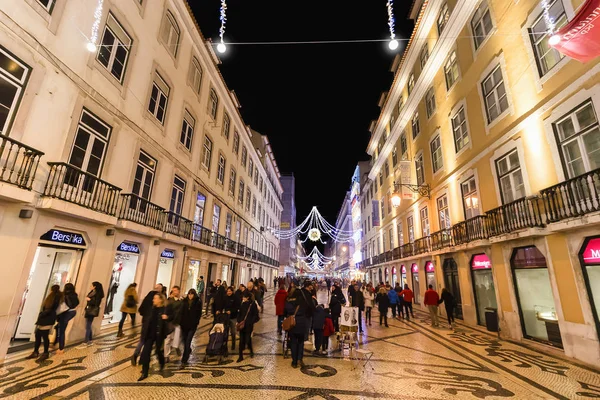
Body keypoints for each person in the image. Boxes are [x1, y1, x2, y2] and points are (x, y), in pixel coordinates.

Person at [138, 293, 170, 381]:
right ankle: (145, 372)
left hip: (159, 334)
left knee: (158, 351)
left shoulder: (164, 309)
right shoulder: (151, 309)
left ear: (160, 300)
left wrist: (166, 317)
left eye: (155, 298)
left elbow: (171, 318)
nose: (153, 300)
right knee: (146, 352)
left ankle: (162, 361)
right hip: (149, 335)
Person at [26, 285, 61, 361]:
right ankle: (36, 352)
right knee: (38, 334)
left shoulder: (55, 297)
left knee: (44, 336)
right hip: (46, 317)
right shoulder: (53, 297)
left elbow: (50, 308)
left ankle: (45, 353)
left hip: (47, 318)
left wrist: (42, 314)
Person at [132, 283, 163, 365]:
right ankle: (142, 359)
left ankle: (136, 355)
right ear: (159, 289)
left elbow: (141, 309)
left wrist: (145, 316)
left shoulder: (148, 296)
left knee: (142, 340)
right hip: (151, 323)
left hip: (146, 321)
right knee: (146, 342)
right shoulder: (158, 298)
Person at [289, 281, 316, 368]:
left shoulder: (294, 296)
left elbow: (286, 308)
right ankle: (300, 359)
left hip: (292, 322)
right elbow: (312, 308)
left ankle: (294, 362)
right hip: (303, 322)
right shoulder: (308, 296)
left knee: (293, 342)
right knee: (300, 342)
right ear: (308, 287)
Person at [179, 289, 202, 368]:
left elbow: (199, 314)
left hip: (192, 326)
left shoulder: (198, 302)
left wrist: (196, 322)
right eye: (189, 294)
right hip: (184, 325)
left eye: (191, 294)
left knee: (188, 341)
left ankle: (184, 360)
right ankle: (188, 350)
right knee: (184, 341)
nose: (190, 296)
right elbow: (181, 312)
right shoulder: (184, 302)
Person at [54, 282, 79, 354]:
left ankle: (61, 348)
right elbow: (77, 303)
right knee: (58, 327)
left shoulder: (64, 295)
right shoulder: (74, 294)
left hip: (66, 312)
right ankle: (56, 341)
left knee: (62, 330)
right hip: (73, 311)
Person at [236, 291, 259, 362]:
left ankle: (251, 350)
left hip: (249, 325)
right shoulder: (242, 304)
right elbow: (239, 313)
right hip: (242, 325)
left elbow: (256, 316)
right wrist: (239, 321)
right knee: (241, 340)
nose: (243, 298)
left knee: (248, 339)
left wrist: (251, 322)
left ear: (247, 298)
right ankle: (240, 356)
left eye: (244, 297)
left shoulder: (253, 305)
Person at [82, 282, 104, 347]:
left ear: (95, 286)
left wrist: (89, 300)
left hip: (92, 310)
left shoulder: (98, 294)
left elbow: (96, 303)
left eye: (91, 285)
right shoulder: (92, 292)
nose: (90, 286)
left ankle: (86, 340)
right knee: (88, 324)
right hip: (89, 309)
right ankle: (90, 339)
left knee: (88, 325)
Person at [164, 286, 183, 361]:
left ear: (178, 291)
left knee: (177, 338)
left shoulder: (181, 301)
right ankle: (166, 355)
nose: (174, 292)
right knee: (168, 339)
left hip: (178, 322)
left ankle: (176, 347)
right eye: (173, 290)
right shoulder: (169, 301)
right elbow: (166, 312)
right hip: (171, 322)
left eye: (175, 290)